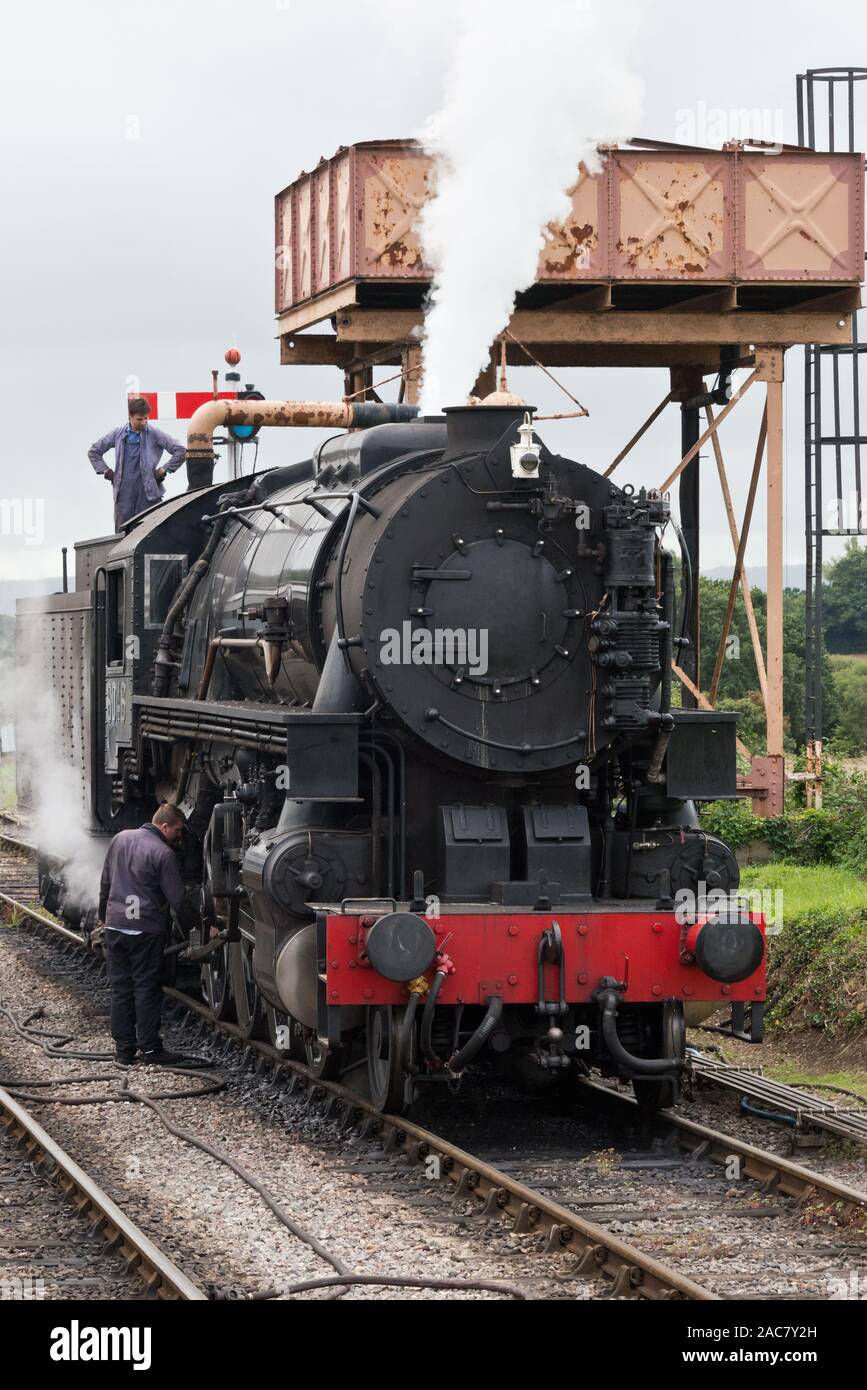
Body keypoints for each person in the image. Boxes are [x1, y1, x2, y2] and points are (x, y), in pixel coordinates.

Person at [98, 804, 188, 1067]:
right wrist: (202, 926)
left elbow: (105, 881)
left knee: (120, 988)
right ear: (164, 827)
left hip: (115, 926)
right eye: (177, 830)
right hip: (145, 929)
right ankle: (149, 1048)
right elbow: (178, 900)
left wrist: (104, 915)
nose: (179, 836)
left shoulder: (119, 839)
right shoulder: (163, 853)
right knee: (146, 988)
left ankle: (124, 1052)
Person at [88, 397, 186, 532]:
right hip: (123, 495)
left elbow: (180, 450)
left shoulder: (155, 434)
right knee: (122, 536)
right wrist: (106, 472)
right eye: (140, 419)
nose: (144, 422)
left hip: (148, 495)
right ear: (130, 416)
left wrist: (165, 469)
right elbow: (94, 451)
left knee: (153, 534)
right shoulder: (117, 434)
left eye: (146, 418)